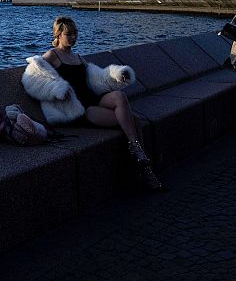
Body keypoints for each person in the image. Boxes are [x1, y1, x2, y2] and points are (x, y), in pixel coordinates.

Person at [21, 16, 165, 192]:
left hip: (92, 98)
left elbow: (96, 78)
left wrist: (118, 75)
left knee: (119, 96)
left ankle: (137, 152)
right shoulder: (52, 55)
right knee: (133, 121)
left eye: (75, 33)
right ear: (58, 35)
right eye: (69, 34)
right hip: (80, 108)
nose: (73, 37)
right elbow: (32, 76)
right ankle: (146, 171)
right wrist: (56, 89)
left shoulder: (77, 57)